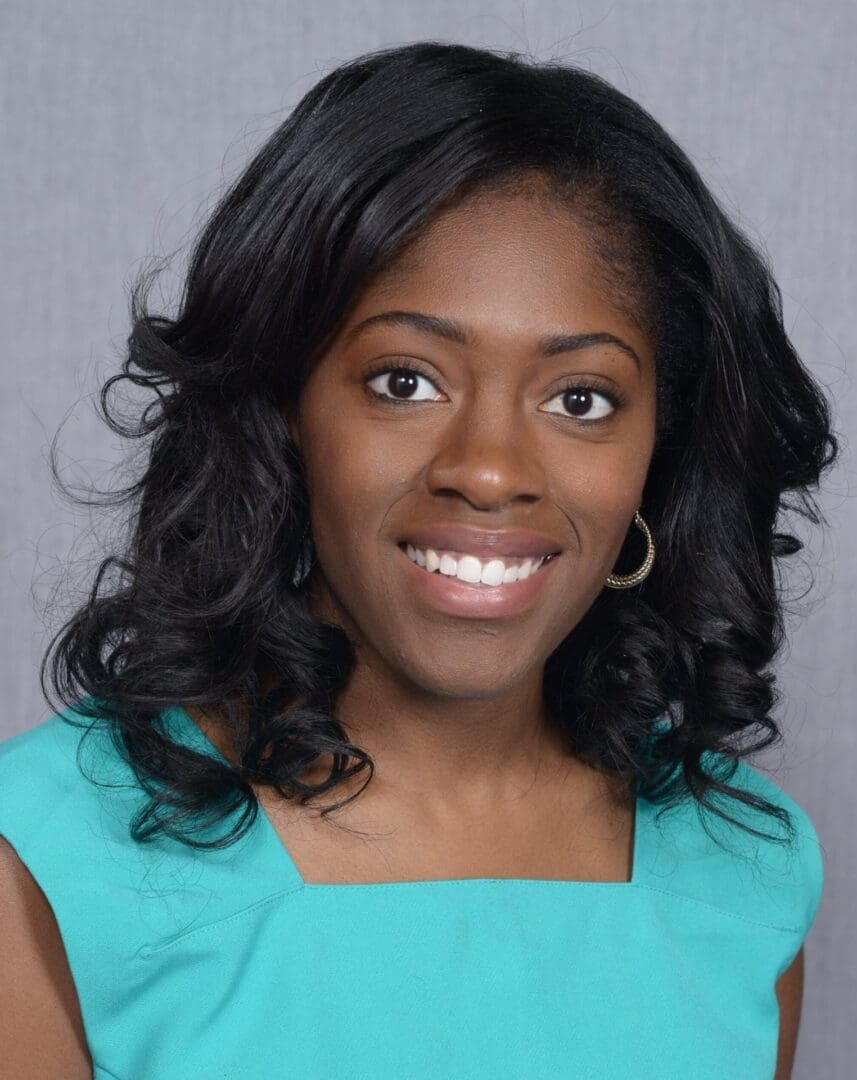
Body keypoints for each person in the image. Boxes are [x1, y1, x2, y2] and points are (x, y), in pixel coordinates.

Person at [0, 40, 837, 1080]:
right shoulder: (46, 862)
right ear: (284, 407)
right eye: (405, 381)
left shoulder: (740, 870)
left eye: (579, 399)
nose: (488, 473)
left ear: (655, 457)